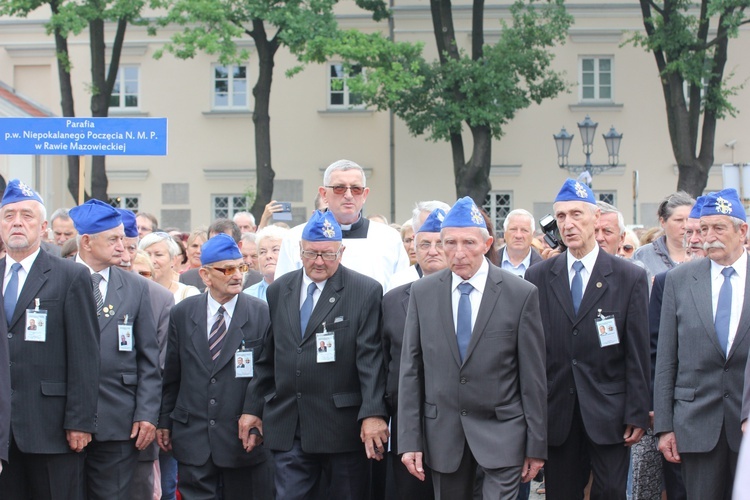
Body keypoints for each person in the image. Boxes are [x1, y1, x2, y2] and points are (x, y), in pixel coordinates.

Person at [398, 198, 546, 499]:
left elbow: (533, 377)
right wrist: (409, 440)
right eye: (449, 242)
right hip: (444, 438)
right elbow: (411, 371)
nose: (459, 252)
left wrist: (536, 444)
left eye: (468, 242)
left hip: (503, 435)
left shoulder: (520, 294)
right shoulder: (423, 293)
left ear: (487, 242)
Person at [245, 210, 389, 499]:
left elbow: (371, 359)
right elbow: (269, 355)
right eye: (311, 254)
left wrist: (373, 414)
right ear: (299, 250)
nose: (319, 262)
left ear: (341, 251)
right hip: (290, 422)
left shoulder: (364, 290)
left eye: (328, 254)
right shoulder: (279, 290)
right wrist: (252, 408)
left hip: (341, 427)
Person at [525, 179, 650, 500]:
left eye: (576, 214)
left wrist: (637, 410)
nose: (568, 224)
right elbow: (532, 351)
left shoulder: (628, 276)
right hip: (558, 412)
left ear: (596, 219)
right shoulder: (539, 276)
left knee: (610, 492)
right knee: (561, 493)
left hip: (609, 411)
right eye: (561, 217)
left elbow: (637, 350)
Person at [0, 179, 100, 500]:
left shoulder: (70, 276)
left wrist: (80, 421)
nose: (17, 222)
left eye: (27, 216)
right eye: (9, 215)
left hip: (52, 427)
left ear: (43, 227)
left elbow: (85, 354)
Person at [157, 234, 273, 500]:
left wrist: (255, 413)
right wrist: (165, 419)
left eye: (241, 267)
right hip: (193, 440)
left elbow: (270, 374)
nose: (236, 276)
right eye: (227, 269)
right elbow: (172, 374)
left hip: (243, 441)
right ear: (205, 275)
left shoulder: (262, 313)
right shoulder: (183, 314)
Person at [654, 188, 750, 500]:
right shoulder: (679, 280)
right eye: (703, 228)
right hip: (696, 423)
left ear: (743, 230)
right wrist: (665, 427)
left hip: (745, 423)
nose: (708, 237)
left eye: (719, 228)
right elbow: (667, 357)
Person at [69, 199, 161, 500]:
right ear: (86, 242)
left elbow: (149, 358)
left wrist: (147, 413)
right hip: (64, 420)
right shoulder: (59, 279)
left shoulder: (134, 287)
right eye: (114, 239)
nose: (123, 246)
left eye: (123, 238)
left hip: (118, 420)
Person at [382, 208, 449, 500]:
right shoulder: (392, 300)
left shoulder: (471, 296)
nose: (432, 251)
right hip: (408, 421)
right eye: (424, 244)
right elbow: (382, 362)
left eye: (439, 243)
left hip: (455, 419)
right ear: (413, 248)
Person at [116, 209, 177, 500]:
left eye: (130, 247)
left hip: (137, 422)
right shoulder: (83, 284)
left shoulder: (157, 297)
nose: (126, 255)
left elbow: (158, 365)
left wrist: (148, 416)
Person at [274, 159, 409, 290]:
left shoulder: (388, 238)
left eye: (356, 189)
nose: (349, 195)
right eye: (339, 188)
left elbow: (399, 295)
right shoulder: (295, 237)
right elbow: (285, 292)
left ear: (365, 194)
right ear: (324, 194)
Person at [180, 219, 262, 292]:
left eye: (224, 244)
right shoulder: (188, 279)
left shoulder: (257, 280)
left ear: (239, 246)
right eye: (213, 243)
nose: (217, 248)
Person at [386, 200, 452, 291]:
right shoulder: (398, 283)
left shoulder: (466, 282)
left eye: (440, 243)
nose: (433, 251)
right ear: (415, 239)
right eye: (426, 243)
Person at [634, 191, 695, 282]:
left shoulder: (704, 254)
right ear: (663, 222)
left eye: (689, 219)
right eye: (678, 220)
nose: (685, 226)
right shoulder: (643, 255)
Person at [140, 232, 200, 303]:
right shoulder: (133, 291)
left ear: (173, 260)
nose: (152, 261)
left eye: (159, 255)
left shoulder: (188, 294)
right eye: (147, 254)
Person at [244, 225, 288, 302]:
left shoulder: (302, 292)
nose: (268, 256)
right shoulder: (247, 296)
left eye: (275, 250)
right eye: (263, 252)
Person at [499, 209, 542, 277]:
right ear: (504, 233)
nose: (518, 235)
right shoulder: (489, 261)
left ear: (532, 235)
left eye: (524, 230)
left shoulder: (543, 267)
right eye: (513, 229)